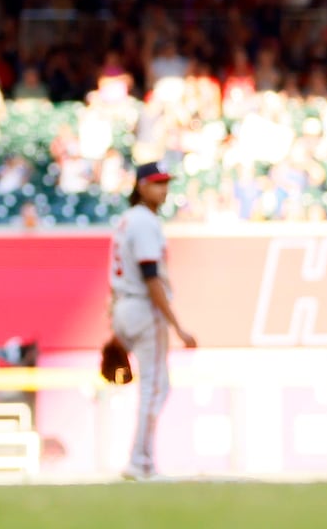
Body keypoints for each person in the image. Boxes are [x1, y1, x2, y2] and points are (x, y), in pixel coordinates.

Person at [107, 161, 197, 481]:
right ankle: (141, 461)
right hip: (144, 308)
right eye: (157, 183)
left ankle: (139, 459)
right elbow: (150, 276)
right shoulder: (144, 221)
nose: (164, 189)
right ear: (141, 186)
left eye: (166, 183)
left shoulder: (126, 220)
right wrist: (177, 325)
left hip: (123, 306)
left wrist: (114, 327)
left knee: (153, 387)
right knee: (154, 388)